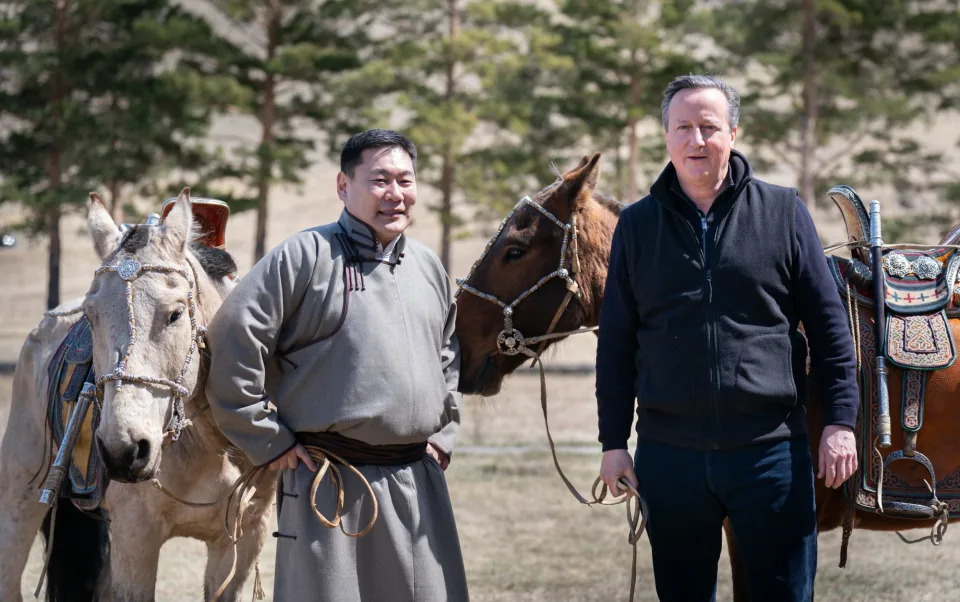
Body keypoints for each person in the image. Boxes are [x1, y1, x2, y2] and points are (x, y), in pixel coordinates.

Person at [596, 74, 859, 601]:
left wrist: (840, 422)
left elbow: (831, 327)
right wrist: (612, 443)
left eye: (709, 127)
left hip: (770, 454)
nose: (696, 140)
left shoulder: (784, 213)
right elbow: (617, 345)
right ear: (666, 136)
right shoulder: (637, 227)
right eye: (683, 127)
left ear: (733, 133)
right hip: (669, 458)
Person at [205, 129, 468, 601]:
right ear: (343, 186)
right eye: (379, 180)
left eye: (405, 181)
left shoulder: (429, 266)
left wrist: (442, 433)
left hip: (418, 480)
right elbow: (231, 340)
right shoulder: (302, 257)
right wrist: (269, 440)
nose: (395, 194)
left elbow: (447, 354)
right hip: (329, 484)